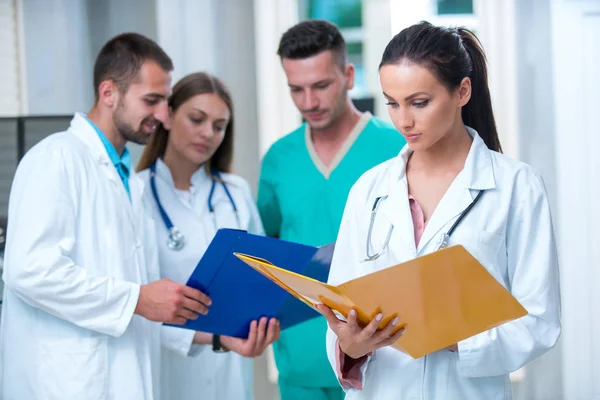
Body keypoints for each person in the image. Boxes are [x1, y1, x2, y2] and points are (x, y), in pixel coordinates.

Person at [317, 21, 561, 399]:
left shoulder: (517, 186)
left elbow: (538, 320)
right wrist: (350, 346)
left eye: (419, 103)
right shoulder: (369, 189)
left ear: (462, 91)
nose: (403, 121)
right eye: (392, 103)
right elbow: (341, 308)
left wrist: (451, 337)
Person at [0, 33, 212, 400]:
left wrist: (217, 336)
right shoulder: (55, 159)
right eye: (152, 101)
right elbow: (28, 270)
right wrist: (136, 299)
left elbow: (139, 307)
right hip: (64, 386)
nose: (164, 116)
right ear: (108, 92)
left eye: (166, 101)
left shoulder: (129, 181)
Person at [257, 20, 406, 400]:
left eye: (321, 85)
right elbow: (268, 245)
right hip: (299, 360)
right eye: (296, 89)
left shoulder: (395, 151)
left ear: (348, 75)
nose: (309, 102)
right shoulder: (278, 159)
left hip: (382, 357)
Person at [137, 72, 280, 400]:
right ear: (169, 116)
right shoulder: (135, 194)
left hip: (231, 370)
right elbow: (135, 305)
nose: (207, 133)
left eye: (218, 126)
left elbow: (264, 274)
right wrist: (213, 338)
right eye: (196, 119)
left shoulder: (236, 192)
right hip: (168, 371)